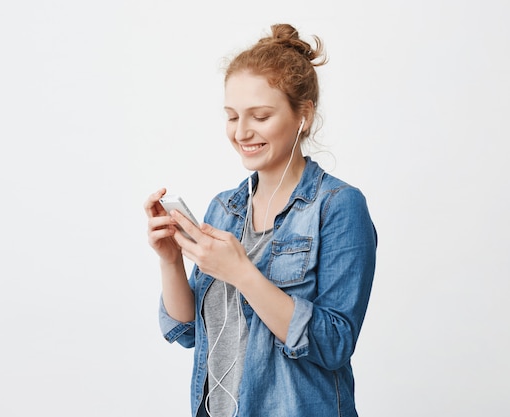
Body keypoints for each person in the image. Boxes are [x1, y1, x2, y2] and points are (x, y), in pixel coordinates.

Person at [143, 23, 377, 417]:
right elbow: (188, 332)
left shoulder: (338, 206)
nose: (242, 132)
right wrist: (170, 259)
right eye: (232, 116)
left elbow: (335, 343)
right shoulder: (225, 209)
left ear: (303, 115)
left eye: (260, 116)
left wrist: (242, 273)